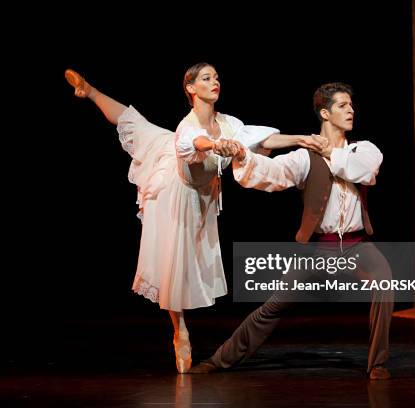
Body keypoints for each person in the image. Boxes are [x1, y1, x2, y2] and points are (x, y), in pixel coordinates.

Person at [65, 63, 325, 373]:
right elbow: (196, 142)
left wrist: (302, 139)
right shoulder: (187, 127)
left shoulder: (228, 123)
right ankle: (181, 331)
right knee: (174, 265)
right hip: (174, 193)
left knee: (140, 126)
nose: (214, 82)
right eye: (206, 78)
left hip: (203, 194)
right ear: (191, 88)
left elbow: (263, 139)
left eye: (216, 77)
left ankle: (89, 91)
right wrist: (216, 145)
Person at [189, 82, 394, 380]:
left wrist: (329, 152)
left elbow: (361, 170)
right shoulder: (303, 157)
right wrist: (243, 156)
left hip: (356, 246)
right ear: (325, 113)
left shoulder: (363, 150)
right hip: (316, 249)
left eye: (351, 105)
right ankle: (219, 360)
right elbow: (271, 173)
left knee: (385, 284)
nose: (351, 110)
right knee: (273, 306)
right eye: (342, 105)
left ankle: (377, 363)